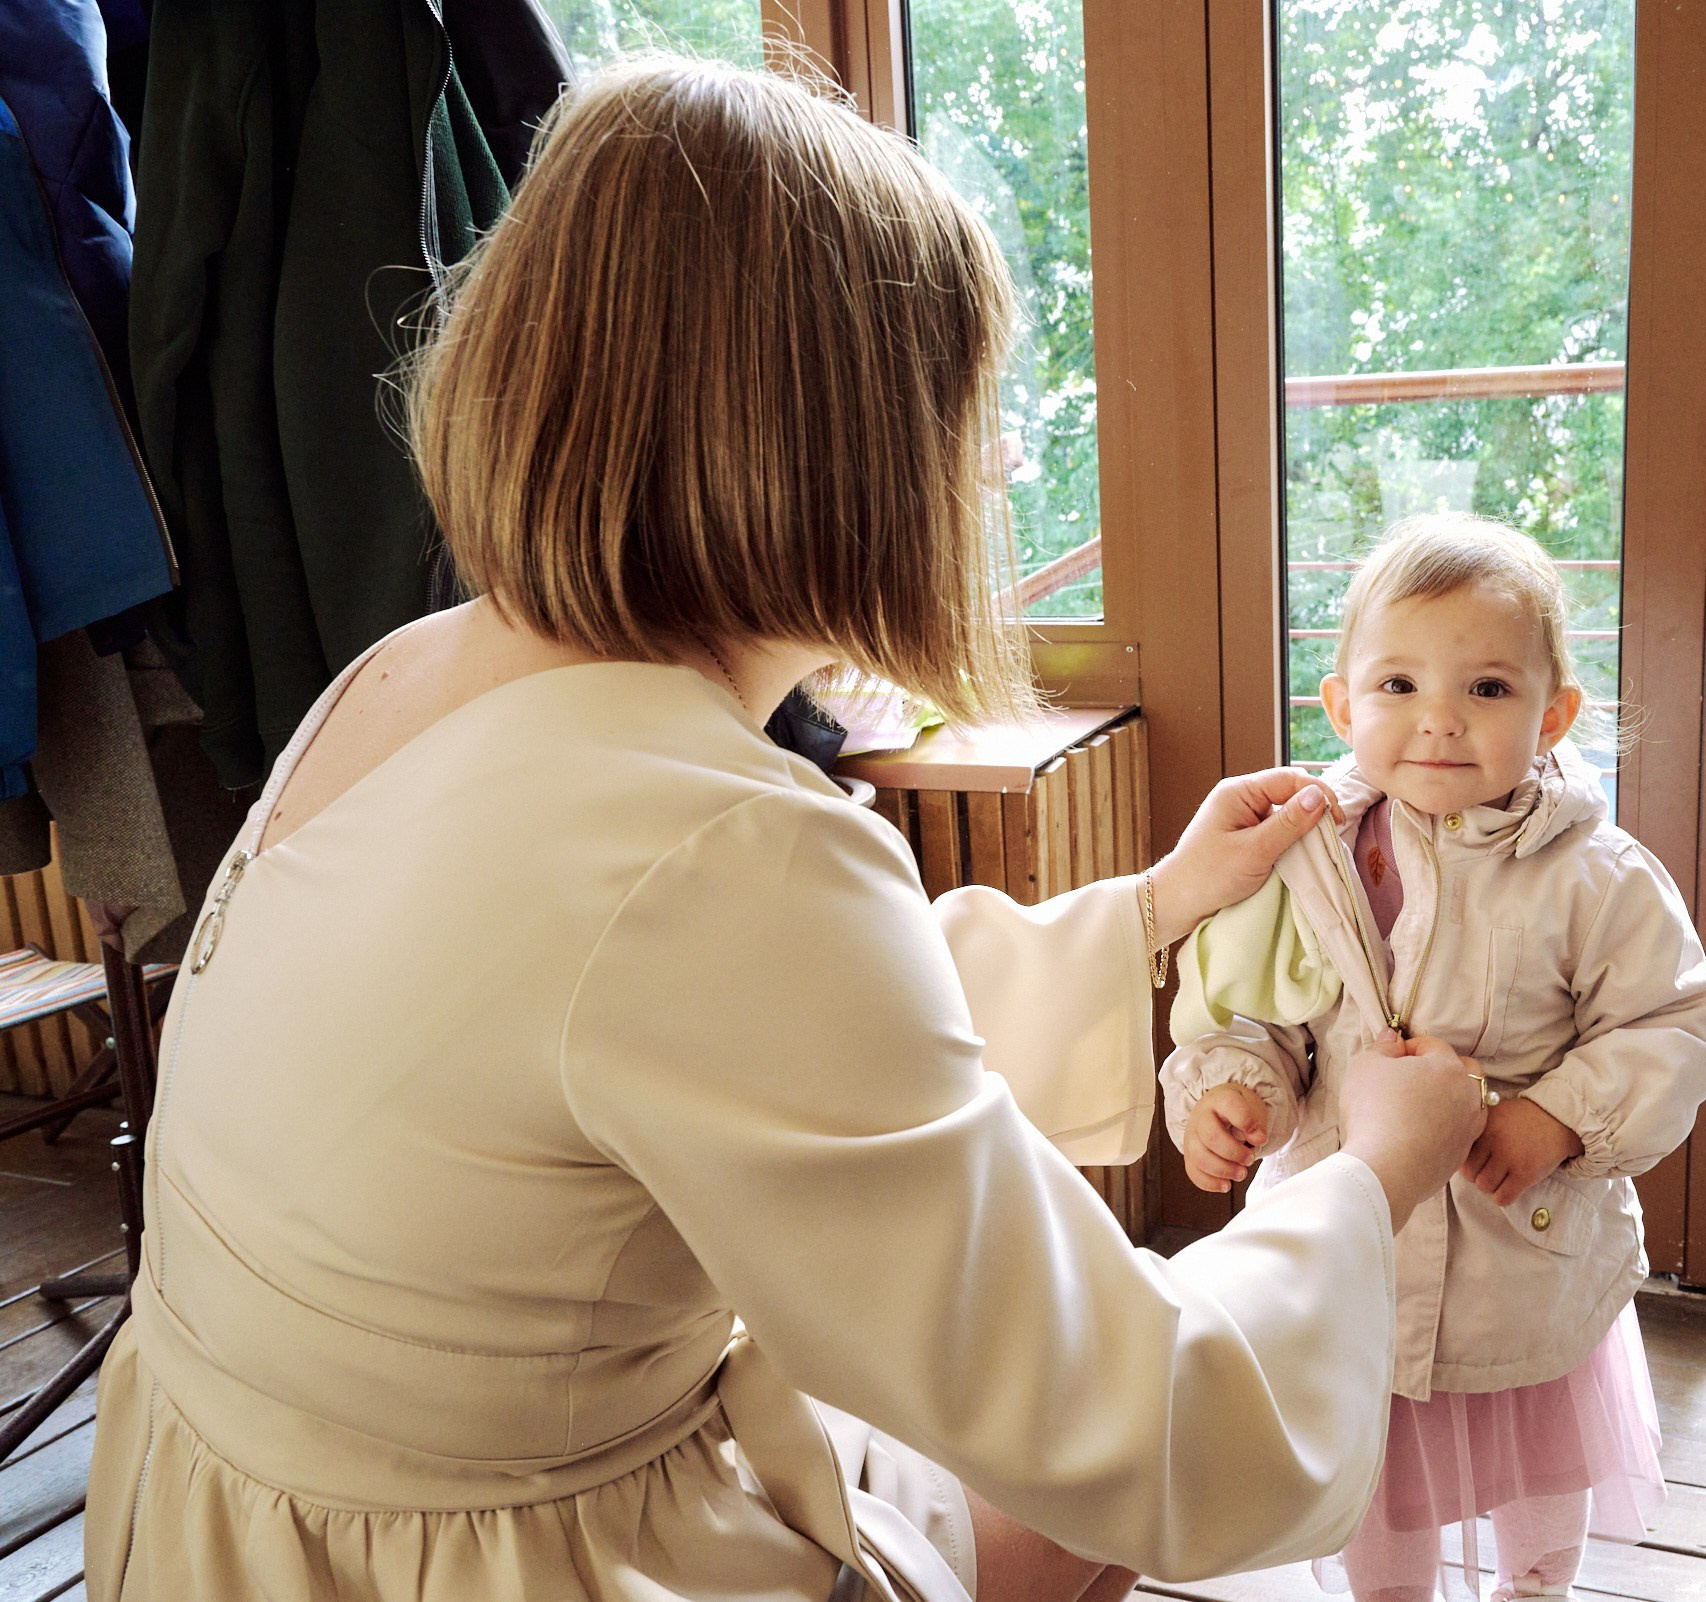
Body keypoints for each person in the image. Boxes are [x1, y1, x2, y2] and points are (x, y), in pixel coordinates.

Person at [81, 59, 1496, 1602]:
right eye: (966, 416)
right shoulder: (710, 838)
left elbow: (704, 1020)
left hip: (222, 1507)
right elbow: (1147, 1414)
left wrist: (1153, 905)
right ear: (852, 447)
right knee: (1093, 1503)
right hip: (497, 1556)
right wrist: (1366, 1176)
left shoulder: (415, 666)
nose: (992, 468)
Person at [1160, 516, 1706, 1602]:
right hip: (1357, 1253)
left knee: (1538, 1460)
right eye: (1397, 685)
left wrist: (1559, 1116)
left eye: (1485, 689)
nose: (1437, 722)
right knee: (1375, 1475)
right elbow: (1253, 1011)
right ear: (1340, 705)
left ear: (1553, 714)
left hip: (1524, 1258)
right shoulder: (1302, 856)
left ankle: (1535, 1586)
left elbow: (1679, 1024)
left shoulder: (1595, 875)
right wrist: (1235, 1090)